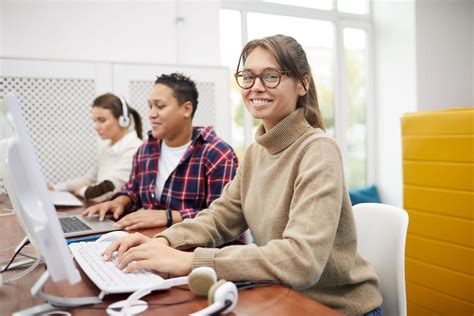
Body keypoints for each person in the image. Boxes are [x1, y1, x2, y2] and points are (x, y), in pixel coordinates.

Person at [102, 35, 382, 315]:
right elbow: (219, 217)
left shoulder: (318, 150)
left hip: (334, 308)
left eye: (270, 76)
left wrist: (190, 261)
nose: (256, 87)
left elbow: (301, 261)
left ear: (302, 83)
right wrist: (163, 241)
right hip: (283, 296)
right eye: (247, 77)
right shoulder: (257, 153)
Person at [82, 73, 240, 234]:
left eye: (160, 106)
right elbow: (133, 189)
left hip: (196, 251)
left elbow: (224, 218)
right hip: (152, 241)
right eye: (150, 106)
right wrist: (121, 201)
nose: (151, 114)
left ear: (186, 109)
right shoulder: (146, 149)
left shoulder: (218, 154)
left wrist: (168, 216)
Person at [52, 93, 143, 203]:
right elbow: (88, 179)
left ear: (123, 120)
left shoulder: (135, 148)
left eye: (102, 120)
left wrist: (82, 191)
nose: (96, 126)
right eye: (94, 120)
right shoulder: (108, 149)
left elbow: (110, 190)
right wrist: (56, 188)